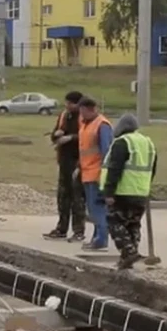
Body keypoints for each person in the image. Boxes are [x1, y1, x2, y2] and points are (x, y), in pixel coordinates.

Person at [100, 114, 157, 270]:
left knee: (114, 221)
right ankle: (129, 256)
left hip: (123, 191)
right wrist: (146, 187)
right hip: (141, 192)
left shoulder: (122, 143)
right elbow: (152, 169)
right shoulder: (148, 143)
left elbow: (114, 169)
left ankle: (128, 252)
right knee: (133, 224)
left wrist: (109, 192)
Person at [44, 91, 86, 242]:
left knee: (77, 198)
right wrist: (57, 134)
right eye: (66, 103)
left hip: (77, 161)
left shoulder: (83, 117)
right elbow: (54, 133)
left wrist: (70, 138)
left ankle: (78, 231)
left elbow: (87, 136)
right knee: (63, 197)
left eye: (70, 103)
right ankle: (61, 228)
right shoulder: (64, 115)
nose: (67, 106)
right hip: (64, 161)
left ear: (78, 104)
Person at [76, 97, 113, 251]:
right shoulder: (86, 124)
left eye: (83, 111)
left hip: (97, 173)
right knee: (93, 209)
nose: (81, 114)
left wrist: (105, 175)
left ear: (90, 109)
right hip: (87, 172)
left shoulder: (102, 125)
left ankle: (101, 239)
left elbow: (106, 151)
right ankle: (97, 237)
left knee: (97, 208)